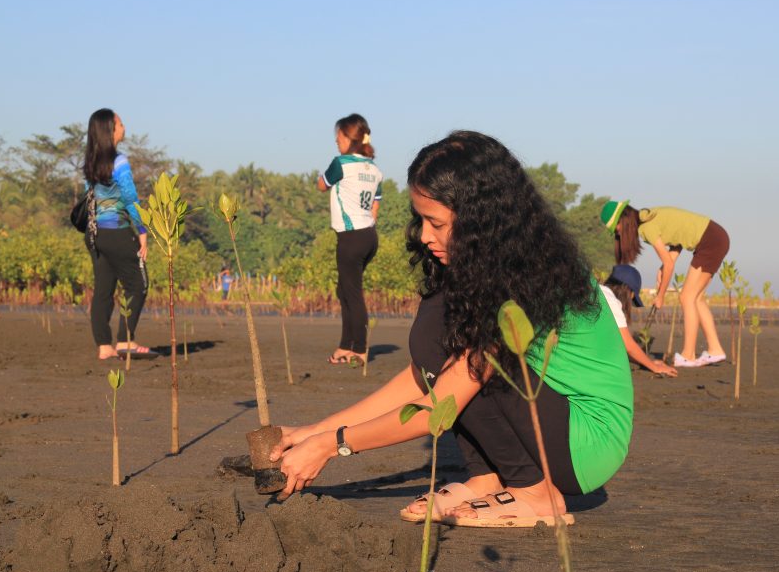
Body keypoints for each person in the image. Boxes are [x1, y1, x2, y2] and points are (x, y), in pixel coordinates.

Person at [273, 131, 633, 527]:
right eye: (421, 219)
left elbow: (443, 400)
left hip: (583, 441)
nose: (424, 236)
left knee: (464, 350)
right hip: (548, 418)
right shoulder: (478, 269)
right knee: (436, 329)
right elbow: (423, 377)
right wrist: (317, 431)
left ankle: (536, 492)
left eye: (436, 222)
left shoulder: (525, 275)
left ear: (482, 219)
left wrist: (333, 446)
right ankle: (486, 479)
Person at [601, 200, 730, 368]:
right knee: (696, 298)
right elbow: (678, 239)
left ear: (622, 221)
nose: (618, 234)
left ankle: (688, 355)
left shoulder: (646, 228)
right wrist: (666, 263)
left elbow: (670, 264)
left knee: (686, 297)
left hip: (709, 241)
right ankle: (715, 350)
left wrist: (660, 295)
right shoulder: (646, 216)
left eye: (616, 229)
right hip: (716, 237)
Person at [82, 108, 155, 360]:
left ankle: (104, 347)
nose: (124, 127)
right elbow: (130, 198)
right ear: (110, 130)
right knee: (139, 283)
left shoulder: (90, 163)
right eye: (120, 123)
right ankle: (125, 341)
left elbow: (89, 200)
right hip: (119, 232)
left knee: (103, 289)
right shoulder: (120, 162)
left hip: (95, 236)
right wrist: (142, 231)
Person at [316, 113, 383, 365]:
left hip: (350, 237)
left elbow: (322, 185)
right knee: (344, 289)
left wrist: (321, 179)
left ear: (348, 138)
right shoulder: (375, 170)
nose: (336, 141)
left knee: (352, 293)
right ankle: (345, 346)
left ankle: (360, 349)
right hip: (368, 236)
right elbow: (376, 206)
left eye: (339, 136)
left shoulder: (341, 163)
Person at [602, 265, 678, 377]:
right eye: (632, 298)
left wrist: (646, 361)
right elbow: (627, 345)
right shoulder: (611, 301)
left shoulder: (598, 292)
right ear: (628, 292)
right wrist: (654, 367)